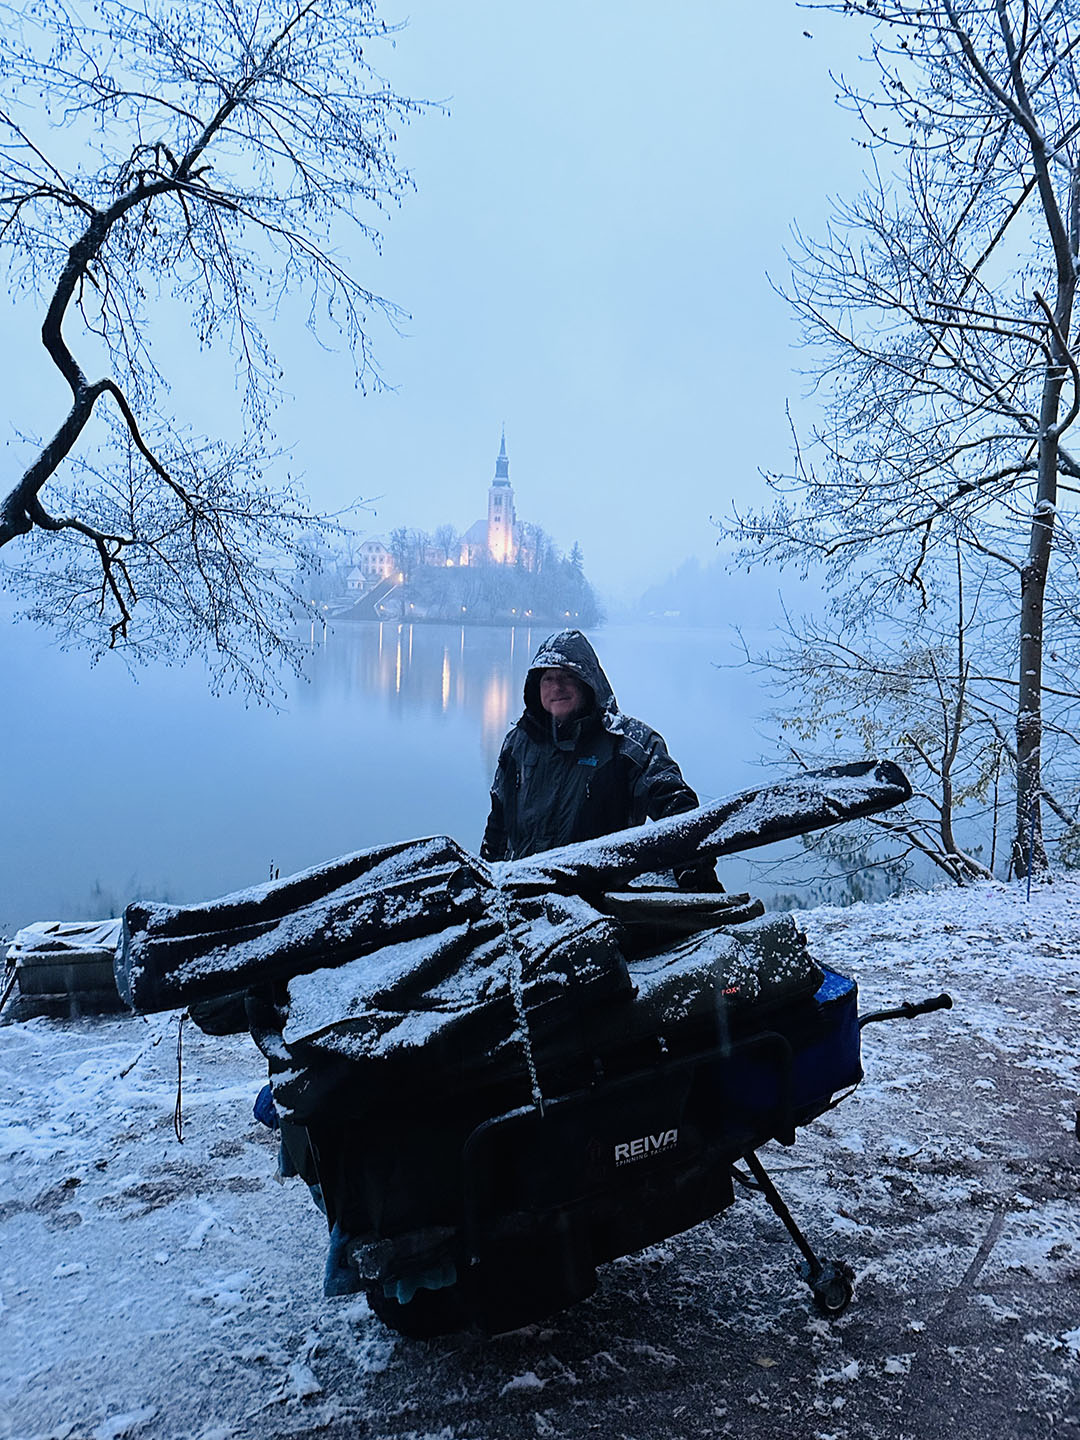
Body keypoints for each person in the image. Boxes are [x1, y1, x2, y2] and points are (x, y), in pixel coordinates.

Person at [480, 629, 720, 888]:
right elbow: (498, 825)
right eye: (548, 678)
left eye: (568, 676)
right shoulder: (518, 744)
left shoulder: (631, 744)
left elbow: (679, 813)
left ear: (587, 681)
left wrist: (698, 881)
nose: (556, 687)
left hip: (600, 902)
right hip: (524, 892)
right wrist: (486, 881)